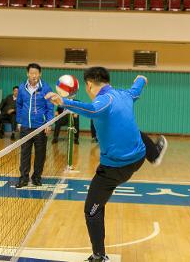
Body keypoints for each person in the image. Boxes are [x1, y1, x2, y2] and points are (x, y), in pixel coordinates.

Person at [45, 67, 167, 262]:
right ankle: (154, 155)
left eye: (86, 86)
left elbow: (92, 110)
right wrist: (142, 79)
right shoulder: (123, 94)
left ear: (90, 84)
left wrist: (64, 101)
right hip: (138, 156)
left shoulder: (104, 100)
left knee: (91, 211)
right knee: (134, 130)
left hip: (114, 168)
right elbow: (136, 89)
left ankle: (99, 256)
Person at [15, 63, 54, 188]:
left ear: (40, 74)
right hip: (26, 126)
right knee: (25, 153)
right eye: (31, 73)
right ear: (28, 74)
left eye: (36, 73)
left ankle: (37, 178)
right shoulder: (22, 88)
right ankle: (23, 178)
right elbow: (19, 105)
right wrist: (20, 121)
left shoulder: (46, 88)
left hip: (41, 127)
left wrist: (48, 123)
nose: (33, 76)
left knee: (40, 154)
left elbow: (50, 108)